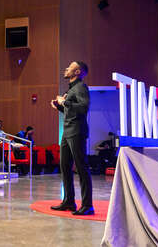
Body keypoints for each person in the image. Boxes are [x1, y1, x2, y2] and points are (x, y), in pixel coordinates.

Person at [50, 61, 93, 215]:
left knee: (81, 168)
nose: (66, 68)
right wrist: (60, 106)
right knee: (65, 167)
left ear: (77, 72)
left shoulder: (81, 87)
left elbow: (84, 107)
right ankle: (69, 202)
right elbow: (72, 111)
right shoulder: (72, 89)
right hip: (67, 131)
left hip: (77, 131)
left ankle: (88, 205)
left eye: (70, 67)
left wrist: (65, 102)